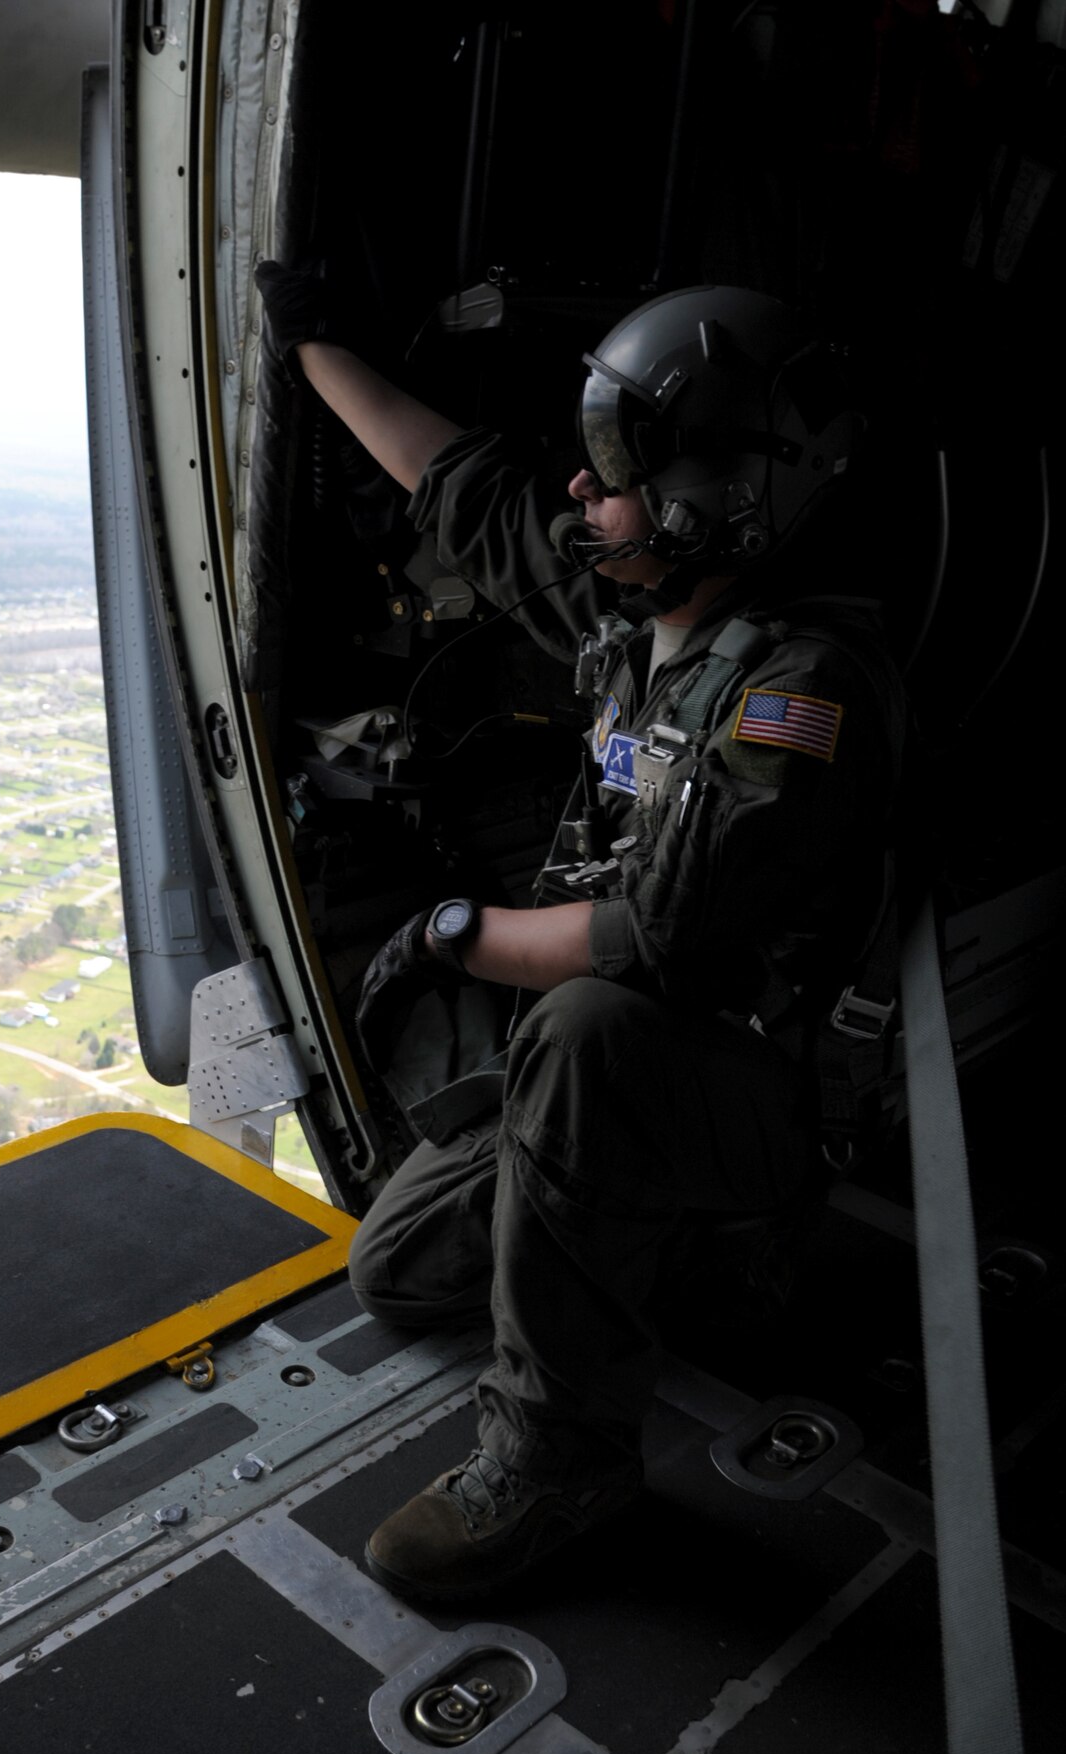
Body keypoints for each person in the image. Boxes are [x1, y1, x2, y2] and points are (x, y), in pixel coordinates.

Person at [254, 268, 907, 1604]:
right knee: (399, 1273)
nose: (574, 493)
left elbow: (656, 939)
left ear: (710, 499)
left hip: (749, 1103)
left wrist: (453, 932)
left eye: (607, 470)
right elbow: (465, 488)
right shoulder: (639, 613)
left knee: (587, 1026)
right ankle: (637, 1247)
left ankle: (560, 1458)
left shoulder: (800, 693)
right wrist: (315, 345)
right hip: (646, 1090)